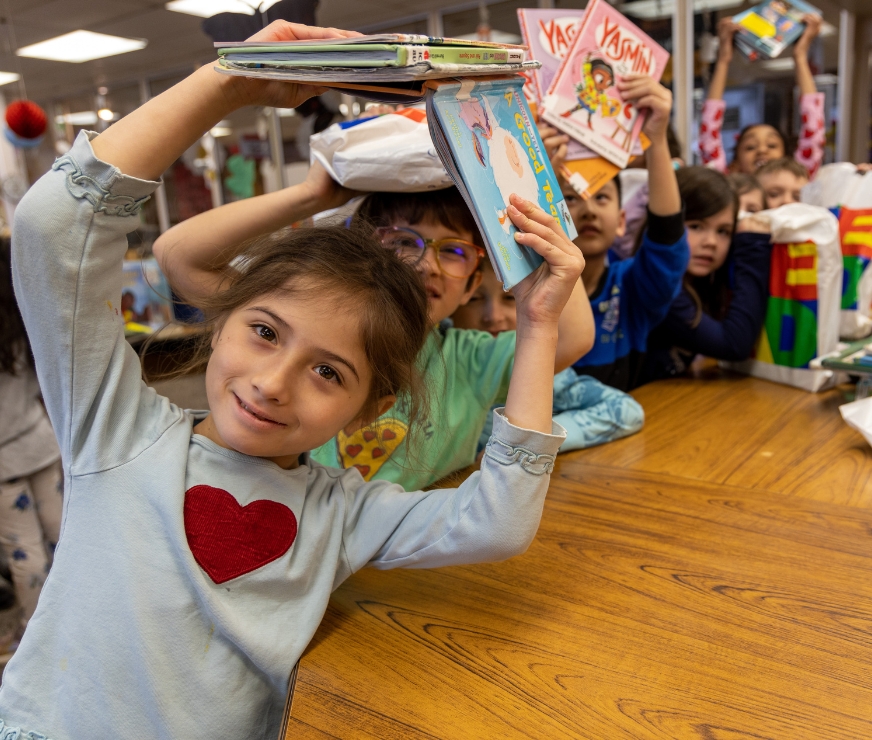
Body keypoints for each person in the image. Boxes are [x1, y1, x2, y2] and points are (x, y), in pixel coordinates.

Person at [0, 20, 588, 740]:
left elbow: (495, 522)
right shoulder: (116, 431)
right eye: (265, 332)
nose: (275, 383)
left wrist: (536, 326)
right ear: (222, 319)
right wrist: (228, 83)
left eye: (328, 372)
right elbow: (54, 227)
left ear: (370, 406)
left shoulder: (340, 513)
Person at [156, 165, 595, 495]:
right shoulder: (299, 314)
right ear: (367, 249)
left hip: (389, 550)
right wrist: (313, 195)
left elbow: (573, 337)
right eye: (404, 241)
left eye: (455, 251)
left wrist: (530, 190)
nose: (424, 264)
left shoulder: (471, 358)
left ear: (473, 285)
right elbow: (177, 254)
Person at [558, 75, 689, 391]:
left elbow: (666, 239)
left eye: (601, 196)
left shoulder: (631, 288)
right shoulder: (523, 297)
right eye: (571, 198)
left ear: (621, 220)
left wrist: (656, 141)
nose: (588, 210)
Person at [452, 259, 644, 453]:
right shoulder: (445, 360)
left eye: (510, 298)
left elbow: (626, 410)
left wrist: (531, 441)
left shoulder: (538, 371)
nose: (493, 316)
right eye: (474, 299)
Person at [643, 166, 772, 383]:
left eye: (723, 231)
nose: (711, 242)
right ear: (667, 224)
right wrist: (752, 247)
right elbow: (734, 344)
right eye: (696, 226)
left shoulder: (701, 282)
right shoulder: (659, 284)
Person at [0, 236, 64, 659]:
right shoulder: (17, 326)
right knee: (64, 538)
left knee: (27, 555)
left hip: (4, 462)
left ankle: (37, 644)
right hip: (40, 444)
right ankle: (70, 619)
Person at [700, 14, 824, 179]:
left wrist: (800, 56)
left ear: (788, 160)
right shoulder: (728, 189)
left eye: (772, 145)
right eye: (750, 147)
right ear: (735, 163)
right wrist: (723, 60)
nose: (762, 151)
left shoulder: (798, 181)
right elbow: (709, 136)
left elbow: (813, 132)